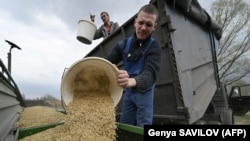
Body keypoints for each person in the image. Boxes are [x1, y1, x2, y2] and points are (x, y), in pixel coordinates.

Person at [105, 4, 161, 127]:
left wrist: (130, 81)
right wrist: (108, 69)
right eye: (141, 22)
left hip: (145, 94)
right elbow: (105, 63)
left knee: (143, 127)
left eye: (149, 24)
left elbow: (149, 75)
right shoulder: (123, 45)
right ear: (135, 22)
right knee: (126, 124)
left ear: (154, 27)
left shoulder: (154, 48)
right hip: (129, 94)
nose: (143, 28)